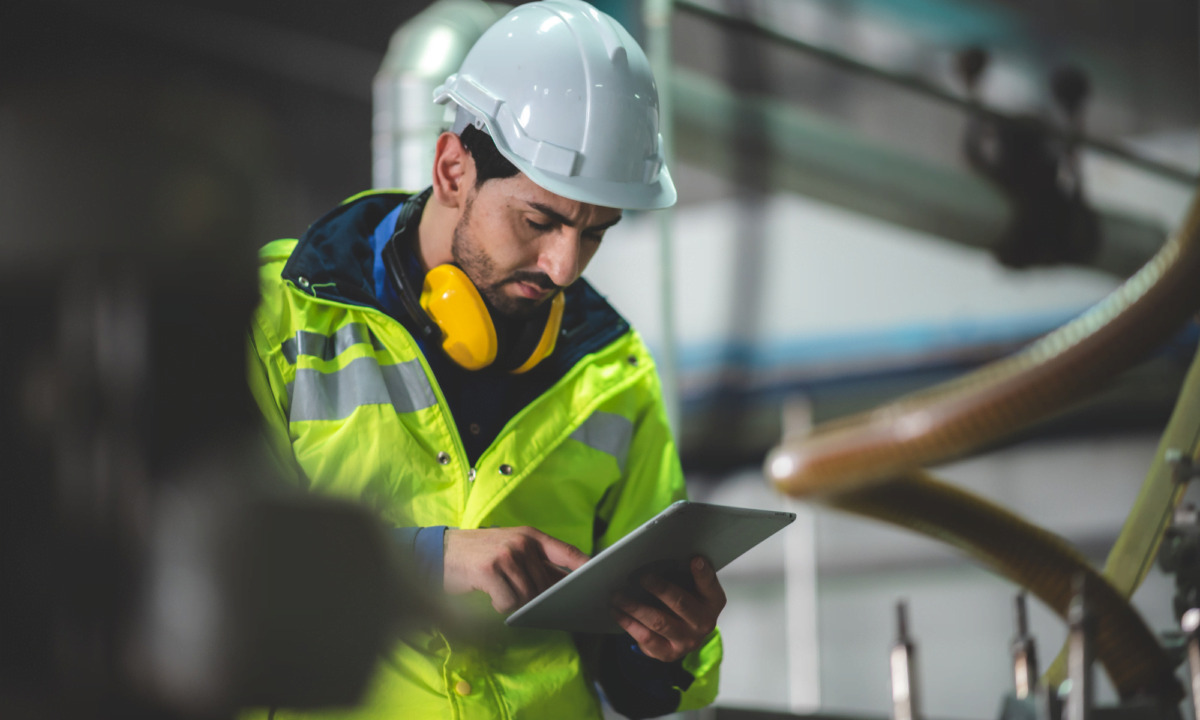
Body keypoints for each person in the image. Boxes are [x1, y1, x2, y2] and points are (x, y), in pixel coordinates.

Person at [246, 1, 724, 717]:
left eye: (595, 234)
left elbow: (642, 687)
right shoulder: (279, 317)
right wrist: (426, 562)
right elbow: (216, 573)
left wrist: (667, 646)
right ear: (451, 170)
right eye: (540, 220)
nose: (564, 266)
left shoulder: (613, 373)